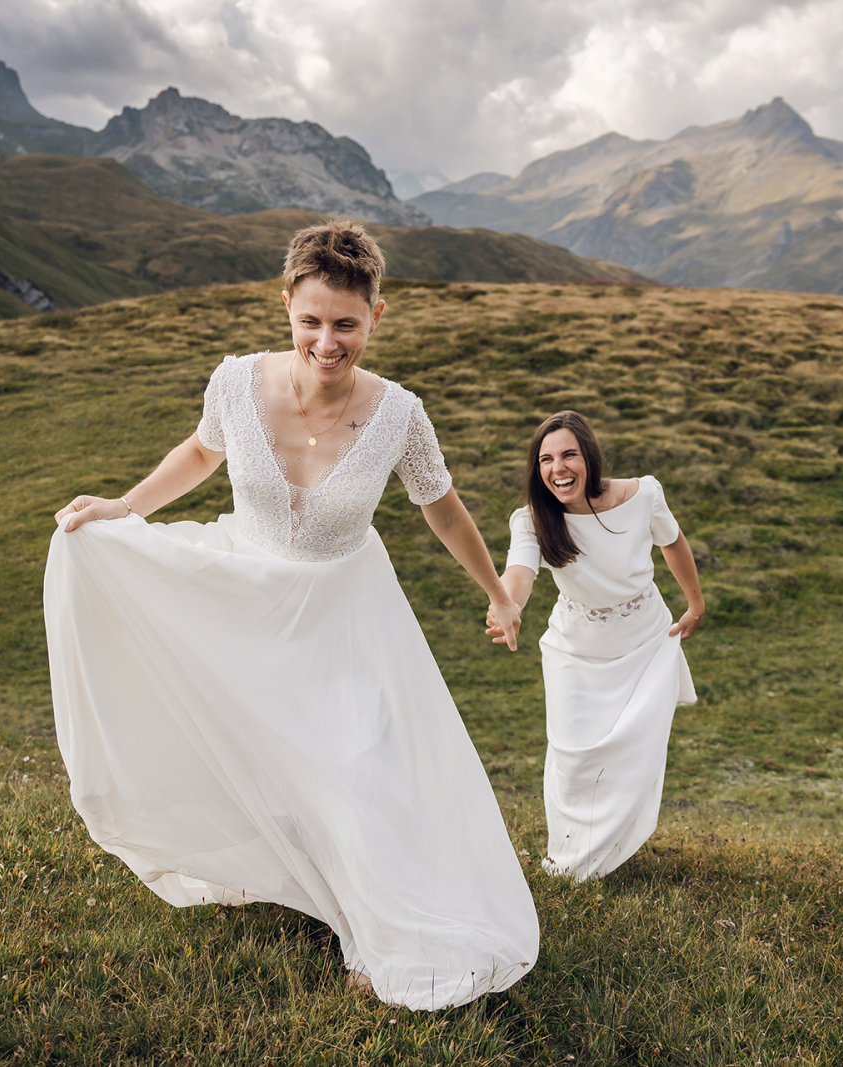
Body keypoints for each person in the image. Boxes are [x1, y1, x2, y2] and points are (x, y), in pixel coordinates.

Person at [44, 220, 538, 1011]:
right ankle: (290, 876)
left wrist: (497, 590)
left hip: (344, 613)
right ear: (286, 307)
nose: (327, 341)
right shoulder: (236, 382)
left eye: (346, 323)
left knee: (355, 769)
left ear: (378, 316)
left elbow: (441, 509)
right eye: (311, 320)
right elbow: (202, 453)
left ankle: (365, 923)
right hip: (246, 595)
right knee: (264, 759)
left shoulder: (401, 415)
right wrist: (125, 506)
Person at [487, 411, 704, 882]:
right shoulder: (531, 520)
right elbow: (520, 572)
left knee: (631, 751)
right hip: (574, 649)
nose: (558, 468)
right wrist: (507, 604)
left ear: (589, 457)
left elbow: (673, 542)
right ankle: (567, 860)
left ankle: (606, 853)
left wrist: (694, 601)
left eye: (568, 455)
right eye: (546, 459)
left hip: (645, 641)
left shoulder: (643, 493)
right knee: (571, 756)